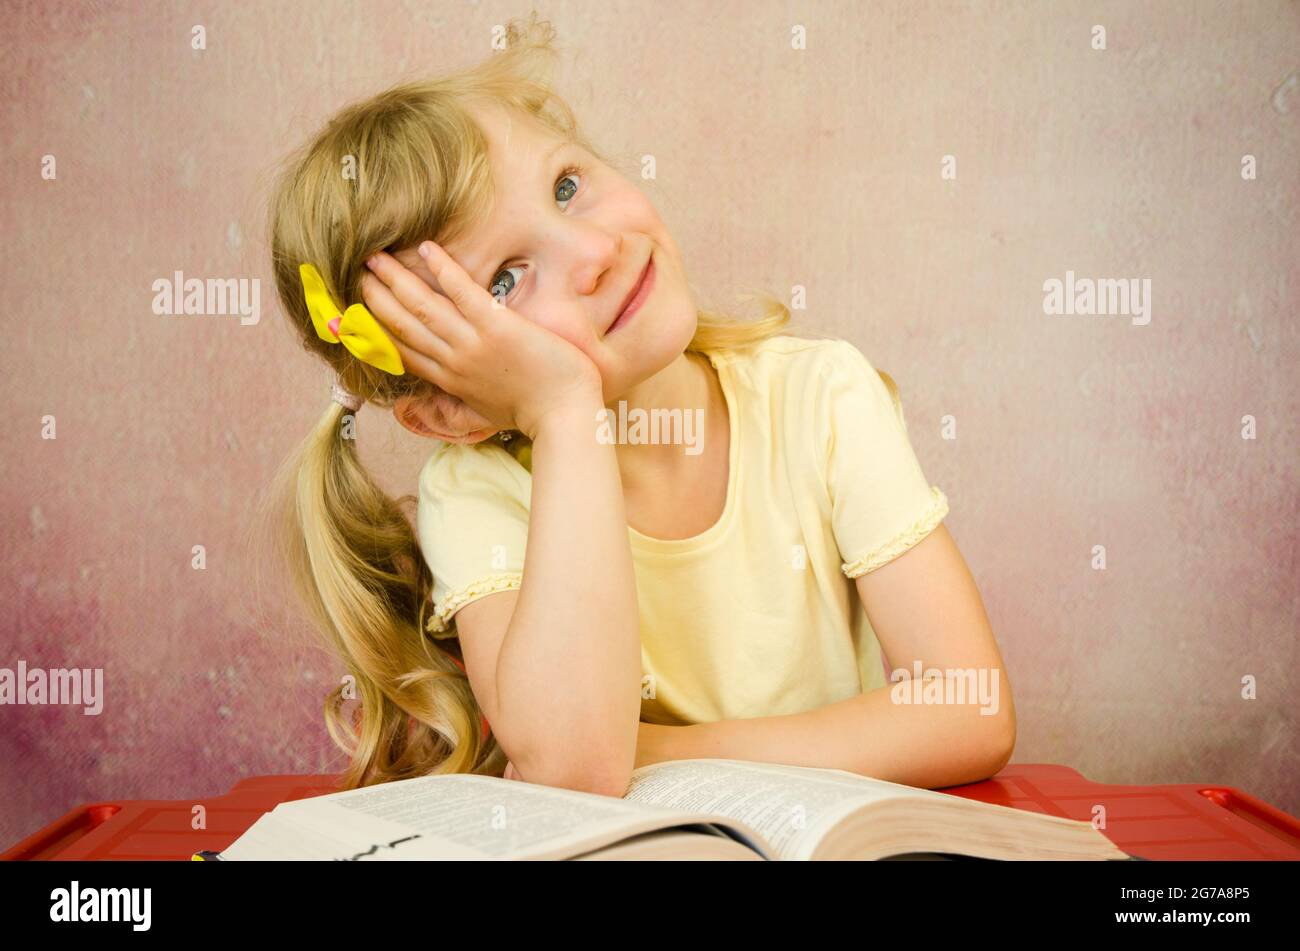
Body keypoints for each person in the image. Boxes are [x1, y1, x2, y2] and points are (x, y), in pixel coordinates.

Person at [264, 13, 1015, 796]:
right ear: (449, 412)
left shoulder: (820, 398)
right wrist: (565, 411)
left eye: (566, 187)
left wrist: (656, 751)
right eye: (504, 281)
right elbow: (579, 767)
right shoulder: (477, 493)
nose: (594, 254)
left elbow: (972, 710)